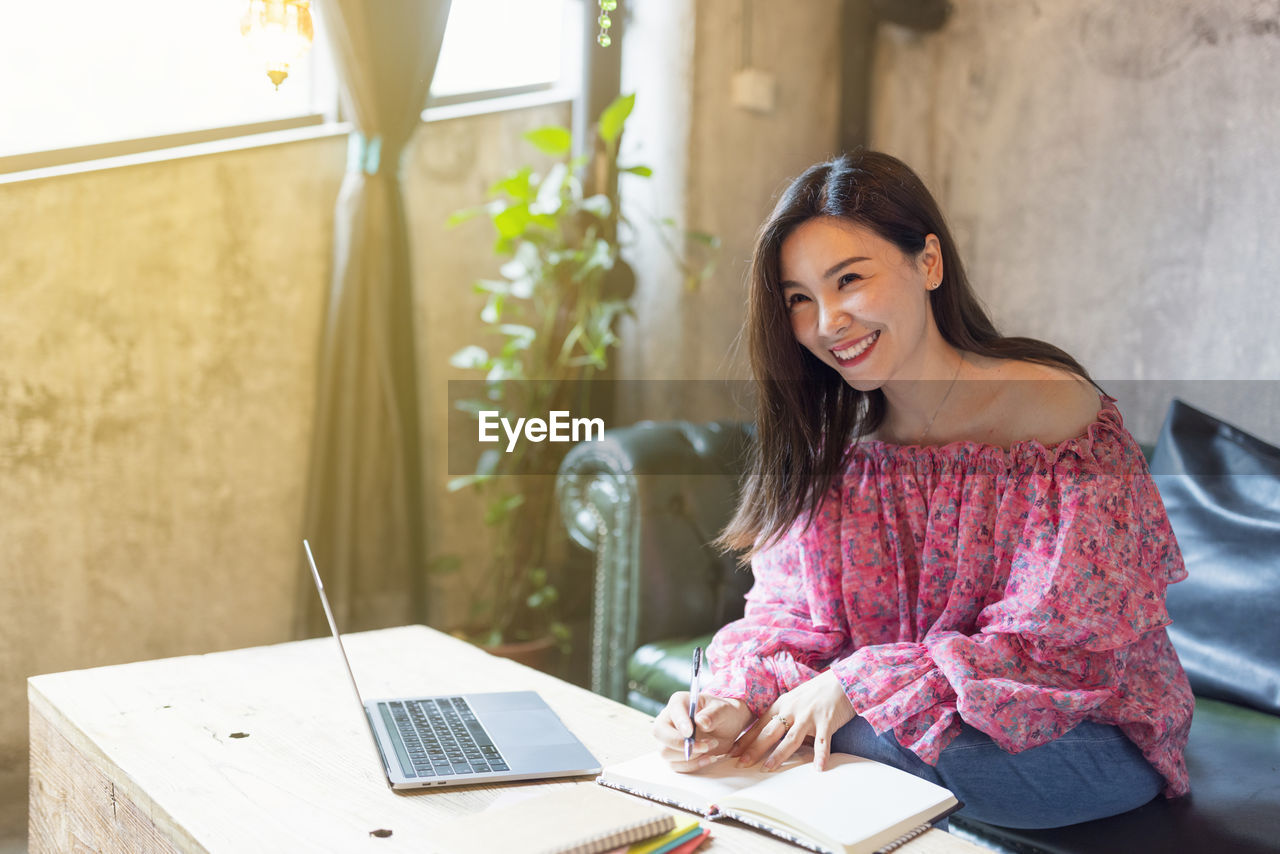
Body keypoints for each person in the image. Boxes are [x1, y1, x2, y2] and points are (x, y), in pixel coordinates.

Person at [650, 151, 1193, 829]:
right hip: (898, 723)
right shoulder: (831, 439)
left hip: (1079, 731)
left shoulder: (1056, 414)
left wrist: (855, 687)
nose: (827, 323)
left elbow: (1059, 644)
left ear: (928, 263)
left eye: (849, 279)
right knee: (815, 735)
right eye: (799, 300)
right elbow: (789, 615)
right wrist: (730, 699)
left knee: (880, 742)